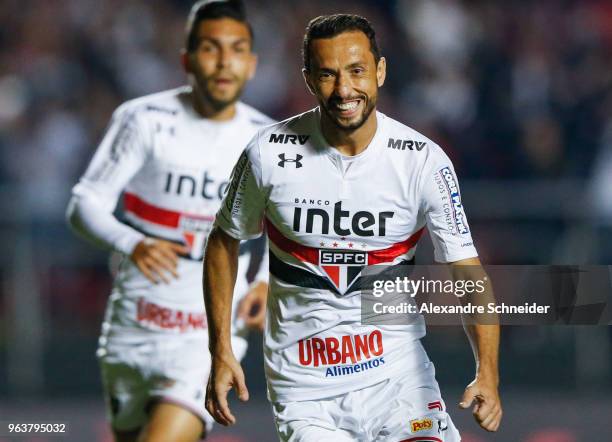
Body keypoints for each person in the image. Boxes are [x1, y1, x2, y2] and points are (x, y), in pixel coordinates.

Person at [204, 13, 502, 441]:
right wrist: (221, 350)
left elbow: (467, 272)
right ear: (308, 79)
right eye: (328, 74)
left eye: (357, 71)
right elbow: (223, 240)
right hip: (305, 390)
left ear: (380, 71)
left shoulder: (422, 161)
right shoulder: (267, 154)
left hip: (399, 381)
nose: (344, 90)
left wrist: (487, 372)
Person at [66, 1, 272, 441]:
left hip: (209, 336)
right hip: (134, 326)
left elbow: (286, 229)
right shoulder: (144, 119)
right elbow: (84, 203)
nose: (223, 62)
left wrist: (267, 279)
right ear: (186, 59)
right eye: (210, 48)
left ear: (251, 64)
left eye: (236, 49)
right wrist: (133, 241)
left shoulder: (266, 141)